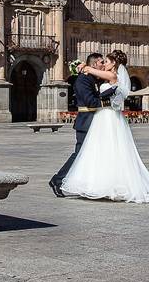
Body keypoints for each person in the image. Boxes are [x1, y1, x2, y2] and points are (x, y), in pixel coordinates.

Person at [60, 50, 149, 203]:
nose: (104, 64)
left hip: (108, 116)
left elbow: (91, 71)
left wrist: (84, 66)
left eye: (107, 62)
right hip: (103, 117)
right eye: (102, 62)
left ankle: (112, 185)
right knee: (103, 151)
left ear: (114, 64)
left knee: (111, 149)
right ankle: (103, 183)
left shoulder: (112, 76)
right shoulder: (104, 77)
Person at [49, 53, 115, 197]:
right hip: (85, 122)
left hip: (94, 122)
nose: (103, 65)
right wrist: (110, 101)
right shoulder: (83, 80)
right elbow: (90, 102)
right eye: (101, 62)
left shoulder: (91, 78)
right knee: (79, 154)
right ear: (94, 64)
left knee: (94, 154)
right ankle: (57, 180)